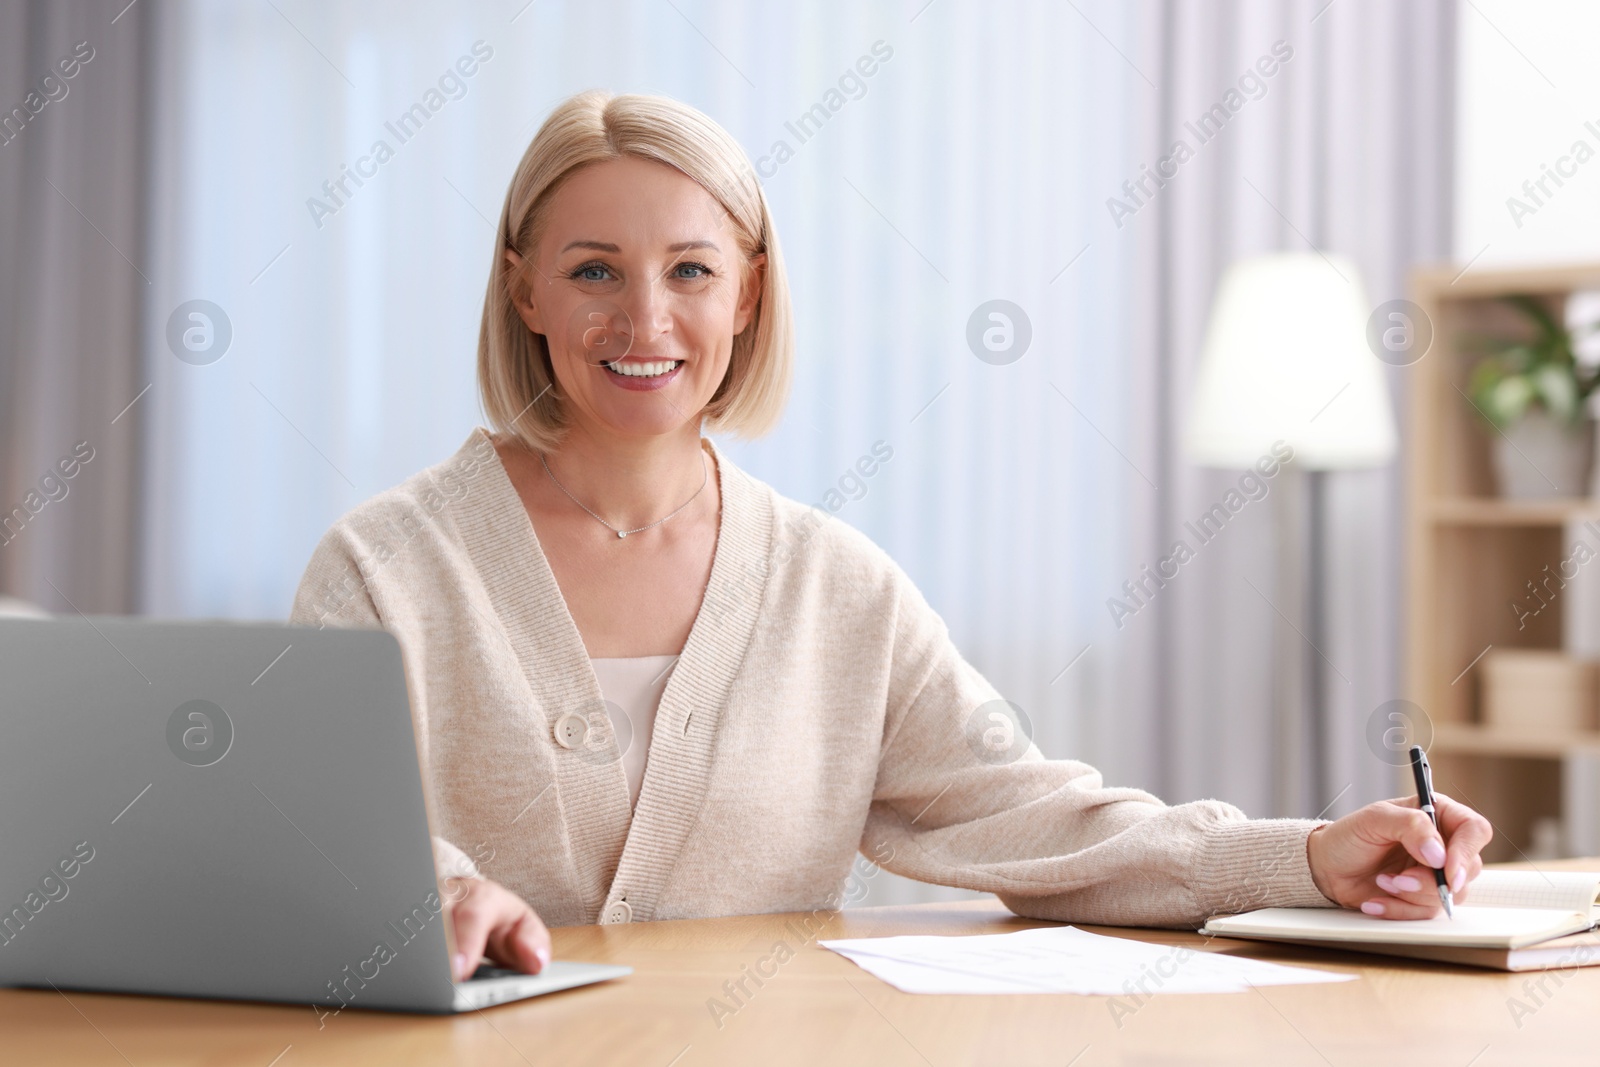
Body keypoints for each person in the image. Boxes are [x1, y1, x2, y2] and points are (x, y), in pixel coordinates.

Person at [288, 89, 1491, 981]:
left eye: (691, 269)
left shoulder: (836, 586)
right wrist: (442, 899)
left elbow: (1030, 813)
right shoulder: (384, 565)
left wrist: (1305, 855)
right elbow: (329, 831)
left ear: (748, 293)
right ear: (524, 290)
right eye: (594, 269)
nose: (645, 317)